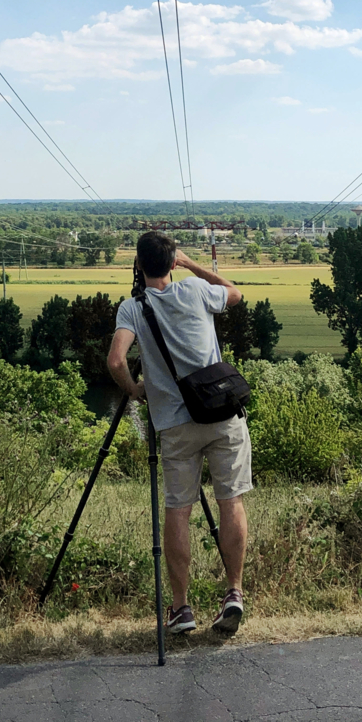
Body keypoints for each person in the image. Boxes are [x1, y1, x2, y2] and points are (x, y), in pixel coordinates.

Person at [107, 230, 252, 634]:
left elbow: (117, 360)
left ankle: (181, 608)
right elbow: (234, 293)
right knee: (231, 502)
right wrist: (190, 264)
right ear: (172, 263)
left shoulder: (132, 308)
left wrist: (135, 391)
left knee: (178, 510)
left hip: (174, 423)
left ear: (137, 265)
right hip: (223, 413)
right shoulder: (195, 291)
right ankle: (234, 592)